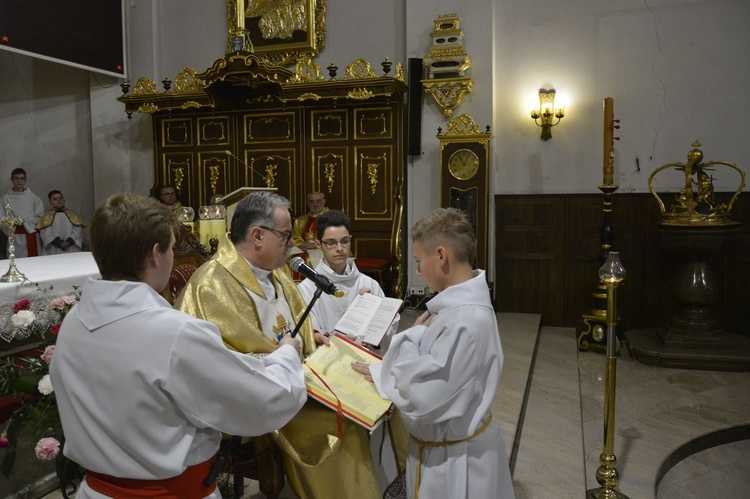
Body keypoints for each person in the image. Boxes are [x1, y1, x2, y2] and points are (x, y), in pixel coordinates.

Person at [49, 193, 306, 499]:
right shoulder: (173, 333)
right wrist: (288, 354)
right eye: (172, 248)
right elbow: (265, 400)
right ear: (156, 254)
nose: (173, 257)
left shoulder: (74, 321)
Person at [176, 191, 389, 499]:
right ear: (257, 235)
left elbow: (289, 326)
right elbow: (213, 362)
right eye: (286, 236)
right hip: (255, 396)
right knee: (343, 424)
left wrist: (308, 339)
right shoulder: (212, 285)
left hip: (290, 378)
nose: (292, 244)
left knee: (372, 398)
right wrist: (286, 354)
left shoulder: (277, 275)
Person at [353, 208, 515, 499]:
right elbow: (429, 367)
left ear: (441, 256)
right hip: (449, 451)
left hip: (457, 466)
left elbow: (423, 399)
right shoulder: (457, 308)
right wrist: (384, 369)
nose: (417, 271)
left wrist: (411, 337)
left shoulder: (465, 320)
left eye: (418, 261)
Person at [298, 209, 399, 353]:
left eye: (344, 241)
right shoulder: (307, 288)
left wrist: (373, 311)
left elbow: (388, 330)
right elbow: (311, 332)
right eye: (331, 243)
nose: (340, 249)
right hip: (329, 363)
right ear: (318, 244)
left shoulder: (369, 284)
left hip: (365, 362)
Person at [0, 168, 44, 257]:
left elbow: (40, 216)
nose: (19, 181)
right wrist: (14, 222)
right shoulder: (5, 199)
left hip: (31, 234)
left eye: (22, 178)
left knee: (33, 263)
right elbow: (1, 218)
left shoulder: (33, 198)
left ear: (25, 180)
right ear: (11, 180)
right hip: (14, 236)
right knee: (16, 261)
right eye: (16, 178)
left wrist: (25, 222)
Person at [35, 190, 86, 255]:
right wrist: (59, 243)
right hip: (53, 248)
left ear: (64, 200)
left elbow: (78, 231)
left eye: (60, 198)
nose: (58, 200)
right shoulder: (46, 216)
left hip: (71, 247)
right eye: (55, 199)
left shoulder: (73, 214)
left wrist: (68, 242)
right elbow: (46, 233)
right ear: (50, 202)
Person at [290, 191, 328, 278]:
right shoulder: (300, 221)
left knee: (314, 260)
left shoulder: (331, 218)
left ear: (324, 202)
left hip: (323, 250)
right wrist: (303, 244)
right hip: (304, 249)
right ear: (308, 203)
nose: (315, 204)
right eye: (312, 201)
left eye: (318, 201)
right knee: (286, 256)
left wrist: (319, 244)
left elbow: (335, 237)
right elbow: (295, 237)